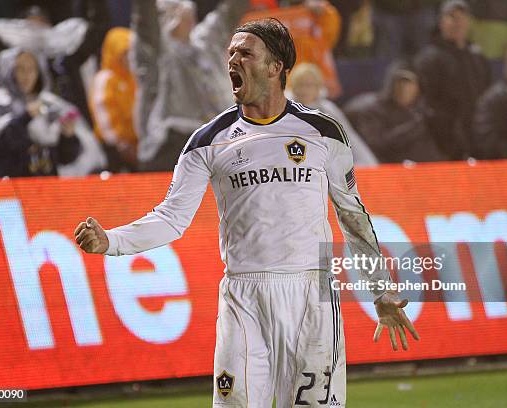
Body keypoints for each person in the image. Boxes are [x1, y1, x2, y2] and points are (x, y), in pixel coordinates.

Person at [75, 18, 418, 408]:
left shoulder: (323, 132)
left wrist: (381, 289)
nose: (233, 60)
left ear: (275, 67)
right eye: (231, 53)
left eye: (245, 53)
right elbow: (172, 217)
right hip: (243, 297)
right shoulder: (206, 141)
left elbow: (352, 216)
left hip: (312, 295)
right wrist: (112, 241)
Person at [131, 0, 249, 171]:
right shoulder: (156, 51)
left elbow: (231, 12)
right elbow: (145, 22)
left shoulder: (205, 43)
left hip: (215, 141)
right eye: (173, 11)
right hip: (168, 145)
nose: (181, 14)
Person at [0, 48, 106, 178]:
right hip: (7, 191)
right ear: (9, 70)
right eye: (20, 69)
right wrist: (25, 117)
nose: (26, 75)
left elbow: (66, 158)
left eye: (31, 69)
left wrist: (68, 137)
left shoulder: (51, 105)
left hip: (44, 193)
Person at [414, 0, 491, 160]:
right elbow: (426, 103)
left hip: (476, 134)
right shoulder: (429, 57)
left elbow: (486, 94)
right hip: (444, 139)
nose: (457, 22)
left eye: (462, 17)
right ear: (441, 21)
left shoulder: (477, 56)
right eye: (452, 17)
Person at [344, 62, 447, 163]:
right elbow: (377, 145)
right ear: (391, 85)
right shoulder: (373, 111)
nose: (404, 89)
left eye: (409, 84)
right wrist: (413, 127)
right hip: (391, 172)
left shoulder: (426, 112)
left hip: (428, 170)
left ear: (418, 87)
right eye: (400, 83)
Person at [243, 0, 344, 98]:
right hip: (275, 88)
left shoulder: (317, 12)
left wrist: (324, 12)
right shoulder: (261, 9)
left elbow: (329, 37)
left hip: (312, 85)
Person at [287, 62, 378, 166]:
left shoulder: (328, 110)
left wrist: (369, 164)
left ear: (318, 88)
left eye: (309, 85)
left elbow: (349, 139)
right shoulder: (284, 109)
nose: (304, 90)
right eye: (300, 84)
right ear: (293, 86)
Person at [89, 27, 138, 172]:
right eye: (124, 53)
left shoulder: (135, 78)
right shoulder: (105, 78)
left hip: (136, 146)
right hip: (113, 149)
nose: (129, 58)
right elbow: (103, 115)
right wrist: (121, 144)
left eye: (131, 52)